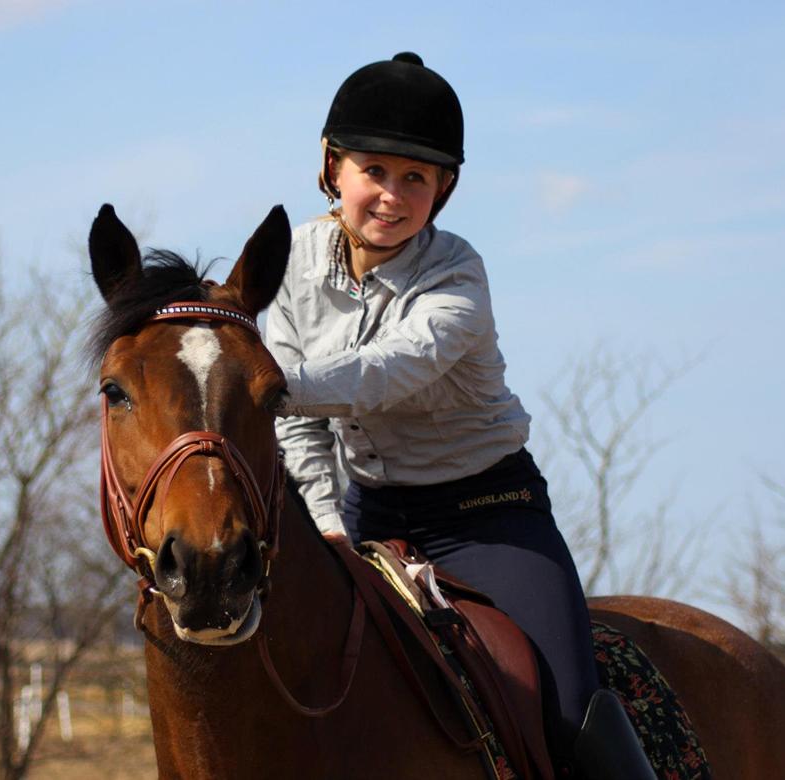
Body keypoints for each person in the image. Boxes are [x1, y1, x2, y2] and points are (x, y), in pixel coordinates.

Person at [263, 52, 655, 780]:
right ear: (332, 167)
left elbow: (386, 370)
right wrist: (325, 523)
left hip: (485, 515)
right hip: (366, 511)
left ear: (443, 188)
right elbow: (299, 427)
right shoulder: (292, 264)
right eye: (375, 170)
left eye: (416, 177)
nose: (392, 195)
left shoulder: (458, 275)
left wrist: (262, 384)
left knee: (568, 708)